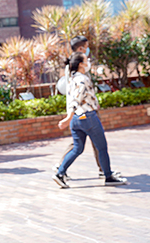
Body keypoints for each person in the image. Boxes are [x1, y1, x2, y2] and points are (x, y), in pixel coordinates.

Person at [53, 52, 127, 188]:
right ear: (81, 64)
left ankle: (60, 174)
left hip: (77, 119)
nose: (88, 63)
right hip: (87, 117)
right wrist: (67, 118)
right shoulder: (82, 78)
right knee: (102, 148)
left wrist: (72, 116)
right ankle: (108, 176)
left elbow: (75, 99)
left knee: (77, 148)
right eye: (86, 60)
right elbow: (77, 98)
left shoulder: (71, 79)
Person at [54, 36, 112, 180]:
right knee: (93, 145)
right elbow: (77, 94)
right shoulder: (77, 71)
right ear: (80, 50)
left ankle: (62, 170)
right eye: (86, 47)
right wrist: (69, 116)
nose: (87, 49)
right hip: (83, 112)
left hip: (81, 111)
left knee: (81, 146)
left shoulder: (76, 69)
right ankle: (106, 173)